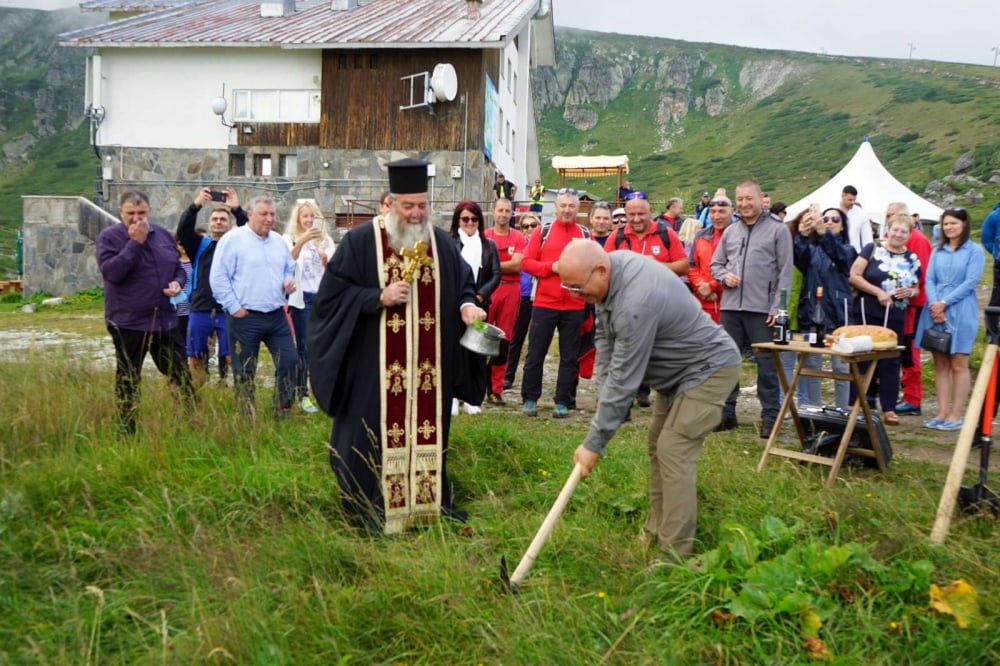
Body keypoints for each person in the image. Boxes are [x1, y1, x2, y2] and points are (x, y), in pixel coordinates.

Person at [307, 158, 486, 533]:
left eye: (422, 204)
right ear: (390, 203)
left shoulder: (440, 243)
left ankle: (426, 506)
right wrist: (376, 297)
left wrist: (467, 306)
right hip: (373, 369)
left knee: (429, 434)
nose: (417, 212)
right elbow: (330, 300)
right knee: (367, 436)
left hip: (427, 373)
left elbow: (464, 283)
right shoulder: (360, 242)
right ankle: (369, 511)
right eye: (409, 206)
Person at [561, 239, 741, 559]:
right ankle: (656, 530)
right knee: (657, 444)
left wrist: (593, 444)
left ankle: (674, 557)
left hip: (708, 371)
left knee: (673, 449)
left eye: (577, 288)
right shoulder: (611, 271)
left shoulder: (635, 302)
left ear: (600, 271)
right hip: (675, 378)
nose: (576, 296)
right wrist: (603, 391)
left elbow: (626, 379)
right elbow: (604, 338)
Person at [96, 190, 194, 434]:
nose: (137, 219)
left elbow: (179, 268)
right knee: (129, 378)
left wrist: (178, 282)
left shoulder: (162, 235)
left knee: (181, 374)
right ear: (120, 212)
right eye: (131, 213)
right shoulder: (109, 238)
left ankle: (191, 422)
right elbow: (112, 273)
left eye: (142, 213)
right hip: (129, 322)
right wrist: (135, 243)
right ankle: (127, 430)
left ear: (149, 211)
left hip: (165, 320)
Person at [711, 180, 793, 437]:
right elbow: (716, 265)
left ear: (760, 199)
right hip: (731, 307)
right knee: (727, 360)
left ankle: (770, 416)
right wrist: (724, 276)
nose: (744, 203)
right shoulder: (730, 231)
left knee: (767, 364)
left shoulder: (778, 231)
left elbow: (785, 272)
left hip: (762, 310)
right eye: (740, 199)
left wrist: (777, 308)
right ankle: (726, 413)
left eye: (749, 198)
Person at [210, 196, 298, 420]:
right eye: (264, 214)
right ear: (250, 215)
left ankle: (282, 410)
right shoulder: (232, 240)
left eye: (272, 215)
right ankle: (246, 415)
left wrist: (288, 281)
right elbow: (218, 277)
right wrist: (233, 307)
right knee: (245, 369)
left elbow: (289, 267)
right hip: (245, 316)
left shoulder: (278, 241)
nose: (269, 219)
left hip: (276, 315)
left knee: (289, 360)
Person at [521, 187, 590, 418]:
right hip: (545, 303)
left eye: (572, 206)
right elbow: (527, 263)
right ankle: (530, 399)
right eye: (563, 205)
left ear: (578, 208)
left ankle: (563, 401)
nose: (567, 210)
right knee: (535, 353)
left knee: (569, 356)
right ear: (555, 207)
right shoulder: (543, 231)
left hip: (574, 305)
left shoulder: (584, 234)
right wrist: (551, 268)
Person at [848, 212, 922, 426]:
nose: (898, 234)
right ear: (888, 230)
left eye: (904, 231)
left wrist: (910, 292)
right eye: (895, 230)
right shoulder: (872, 249)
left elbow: (917, 287)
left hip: (896, 313)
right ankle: (856, 403)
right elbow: (854, 276)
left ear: (909, 234)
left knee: (891, 360)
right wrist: (877, 292)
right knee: (863, 356)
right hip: (867, 310)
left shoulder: (911, 258)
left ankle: (888, 408)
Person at [915, 208, 985, 431]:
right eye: (946, 224)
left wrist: (945, 302)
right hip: (935, 309)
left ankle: (956, 414)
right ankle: (942, 412)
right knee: (941, 363)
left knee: (958, 362)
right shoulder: (939, 250)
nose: (949, 227)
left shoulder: (974, 251)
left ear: (964, 224)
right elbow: (929, 279)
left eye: (954, 223)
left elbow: (970, 282)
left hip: (961, 309)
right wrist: (935, 303)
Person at [176, 187, 248, 388]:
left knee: (231, 355)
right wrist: (196, 205)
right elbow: (183, 230)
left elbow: (250, 230)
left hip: (229, 309)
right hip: (200, 308)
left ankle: (236, 394)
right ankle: (198, 396)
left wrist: (236, 209)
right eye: (215, 219)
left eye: (223, 219)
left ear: (230, 225)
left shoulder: (238, 243)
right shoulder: (200, 244)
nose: (218, 222)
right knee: (196, 356)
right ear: (209, 224)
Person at [793, 206, 858, 409]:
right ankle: (812, 411)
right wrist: (803, 234)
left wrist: (823, 233)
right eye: (825, 218)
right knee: (811, 366)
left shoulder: (848, 250)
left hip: (839, 315)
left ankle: (842, 412)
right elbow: (797, 258)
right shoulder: (811, 250)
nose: (829, 222)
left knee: (841, 367)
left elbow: (839, 257)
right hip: (813, 313)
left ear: (843, 227)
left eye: (834, 219)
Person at [283, 199, 336, 414]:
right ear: (298, 218)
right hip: (301, 297)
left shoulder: (326, 240)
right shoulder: (290, 238)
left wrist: (325, 262)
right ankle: (302, 394)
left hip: (322, 297)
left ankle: (321, 392)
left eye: (312, 216)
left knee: (322, 346)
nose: (309, 220)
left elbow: (333, 269)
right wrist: (302, 241)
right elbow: (288, 261)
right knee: (304, 346)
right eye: (305, 216)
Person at [450, 200, 500, 415]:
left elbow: (496, 274)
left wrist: (479, 296)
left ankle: (473, 398)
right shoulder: (450, 243)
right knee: (454, 352)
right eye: (465, 219)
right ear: (458, 221)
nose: (470, 223)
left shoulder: (489, 245)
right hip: (454, 305)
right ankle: (452, 396)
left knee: (476, 352)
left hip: (479, 305)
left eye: (474, 219)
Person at [887, 202, 932, 417]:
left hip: (913, 304)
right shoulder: (894, 240)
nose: (890, 220)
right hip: (899, 304)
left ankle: (913, 398)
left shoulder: (917, 240)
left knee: (909, 351)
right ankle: (898, 392)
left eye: (893, 215)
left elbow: (920, 276)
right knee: (895, 347)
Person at [483, 197, 526, 404]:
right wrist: (504, 263)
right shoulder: (484, 236)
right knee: (478, 335)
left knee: (504, 339)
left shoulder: (518, 237)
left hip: (510, 290)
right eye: (500, 210)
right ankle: (475, 384)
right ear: (493, 212)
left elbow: (518, 266)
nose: (503, 214)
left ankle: (496, 388)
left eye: (507, 211)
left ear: (512, 214)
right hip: (487, 291)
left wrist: (492, 264)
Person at [502, 213, 540, 392]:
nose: (530, 229)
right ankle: (507, 375)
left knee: (536, 339)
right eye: (526, 226)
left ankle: (531, 378)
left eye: (533, 225)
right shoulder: (519, 245)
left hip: (539, 296)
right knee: (516, 336)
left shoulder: (542, 244)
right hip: (522, 294)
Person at [690, 190, 732, 325]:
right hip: (702, 303)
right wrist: (699, 287)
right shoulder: (700, 236)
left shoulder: (739, 237)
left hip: (730, 305)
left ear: (731, 212)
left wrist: (711, 287)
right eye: (713, 212)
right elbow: (692, 266)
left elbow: (737, 268)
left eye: (721, 211)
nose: (716, 216)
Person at [979, 202, 1000, 342]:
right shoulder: (994, 216)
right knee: (997, 298)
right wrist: (996, 253)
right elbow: (986, 239)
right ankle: (992, 334)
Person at [840, 185, 874, 253]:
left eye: (854, 200)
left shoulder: (862, 213)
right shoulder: (832, 211)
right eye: (850, 200)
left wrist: (866, 257)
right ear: (843, 196)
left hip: (855, 254)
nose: (852, 202)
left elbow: (867, 239)